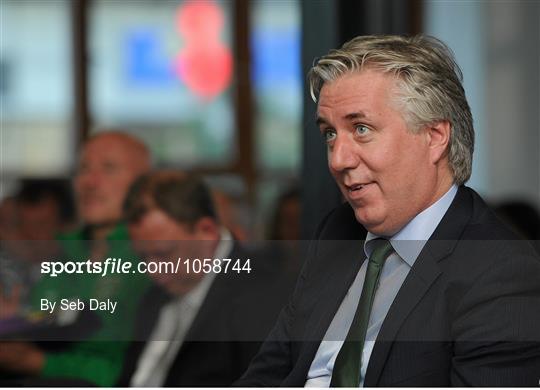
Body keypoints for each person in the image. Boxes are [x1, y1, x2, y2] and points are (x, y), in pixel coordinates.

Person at [237, 35, 540, 387]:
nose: (338, 159)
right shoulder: (337, 232)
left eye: (361, 129)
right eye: (330, 135)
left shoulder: (501, 272)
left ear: (435, 136)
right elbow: (267, 374)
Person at [0, 131, 151, 386]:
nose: (89, 182)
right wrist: (15, 324)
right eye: (83, 168)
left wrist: (37, 362)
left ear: (145, 184)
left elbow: (139, 373)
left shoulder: (155, 259)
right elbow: (44, 326)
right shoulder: (59, 253)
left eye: (109, 168)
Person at [118, 170, 285, 386]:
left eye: (163, 254)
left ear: (207, 232)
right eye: (143, 256)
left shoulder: (262, 295)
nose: (152, 270)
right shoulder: (154, 296)